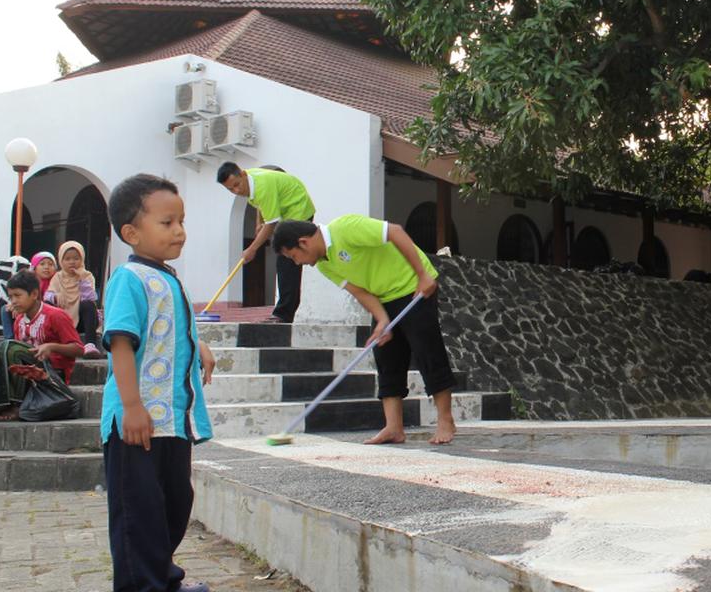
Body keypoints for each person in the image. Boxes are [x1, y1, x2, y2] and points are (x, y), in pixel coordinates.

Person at [101, 173, 214, 592]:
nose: (180, 231)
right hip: (137, 422)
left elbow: (170, 327)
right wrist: (131, 407)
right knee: (138, 512)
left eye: (182, 221)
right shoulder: (129, 279)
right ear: (131, 232)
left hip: (172, 421)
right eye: (167, 223)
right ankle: (141, 584)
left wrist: (198, 345)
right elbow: (121, 343)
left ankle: (163, 576)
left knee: (174, 502)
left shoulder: (167, 277)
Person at [271, 216, 457, 445]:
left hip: (413, 287)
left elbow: (395, 231)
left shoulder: (346, 229)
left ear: (303, 242)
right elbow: (360, 291)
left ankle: (445, 420)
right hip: (383, 297)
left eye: (294, 257)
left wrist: (422, 275)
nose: (297, 263)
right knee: (386, 355)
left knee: (427, 351)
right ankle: (393, 428)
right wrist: (381, 320)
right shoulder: (324, 264)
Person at [0, 270, 85, 421]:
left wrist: (51, 347)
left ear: (34, 294)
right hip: (25, 371)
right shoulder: (19, 320)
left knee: (11, 348)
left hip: (51, 373)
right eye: (11, 297)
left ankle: (17, 405)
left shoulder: (55, 315)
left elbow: (79, 349)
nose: (14, 301)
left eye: (18, 295)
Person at [216, 163, 315, 323]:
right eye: (230, 189)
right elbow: (260, 204)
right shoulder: (250, 180)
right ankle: (283, 313)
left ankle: (283, 315)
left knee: (286, 260)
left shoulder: (262, 185)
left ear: (242, 174)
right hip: (286, 212)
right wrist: (258, 222)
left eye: (236, 185)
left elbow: (271, 223)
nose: (236, 191)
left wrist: (252, 248)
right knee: (285, 261)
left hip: (298, 209)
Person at [47, 240, 102, 355]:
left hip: (83, 322)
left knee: (88, 305)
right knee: (50, 306)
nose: (72, 262)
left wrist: (82, 280)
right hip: (65, 322)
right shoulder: (57, 277)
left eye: (76, 258)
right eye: (67, 259)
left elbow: (91, 297)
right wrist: (56, 296)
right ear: (61, 261)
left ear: (82, 259)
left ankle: (90, 345)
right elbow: (47, 296)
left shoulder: (87, 275)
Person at [0, 251, 57, 340]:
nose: (46, 267)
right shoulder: (27, 281)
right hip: (25, 309)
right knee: (5, 309)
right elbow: (19, 295)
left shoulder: (58, 281)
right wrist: (15, 305)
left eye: (50, 264)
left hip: (46, 313)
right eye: (42, 264)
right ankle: (9, 340)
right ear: (34, 268)